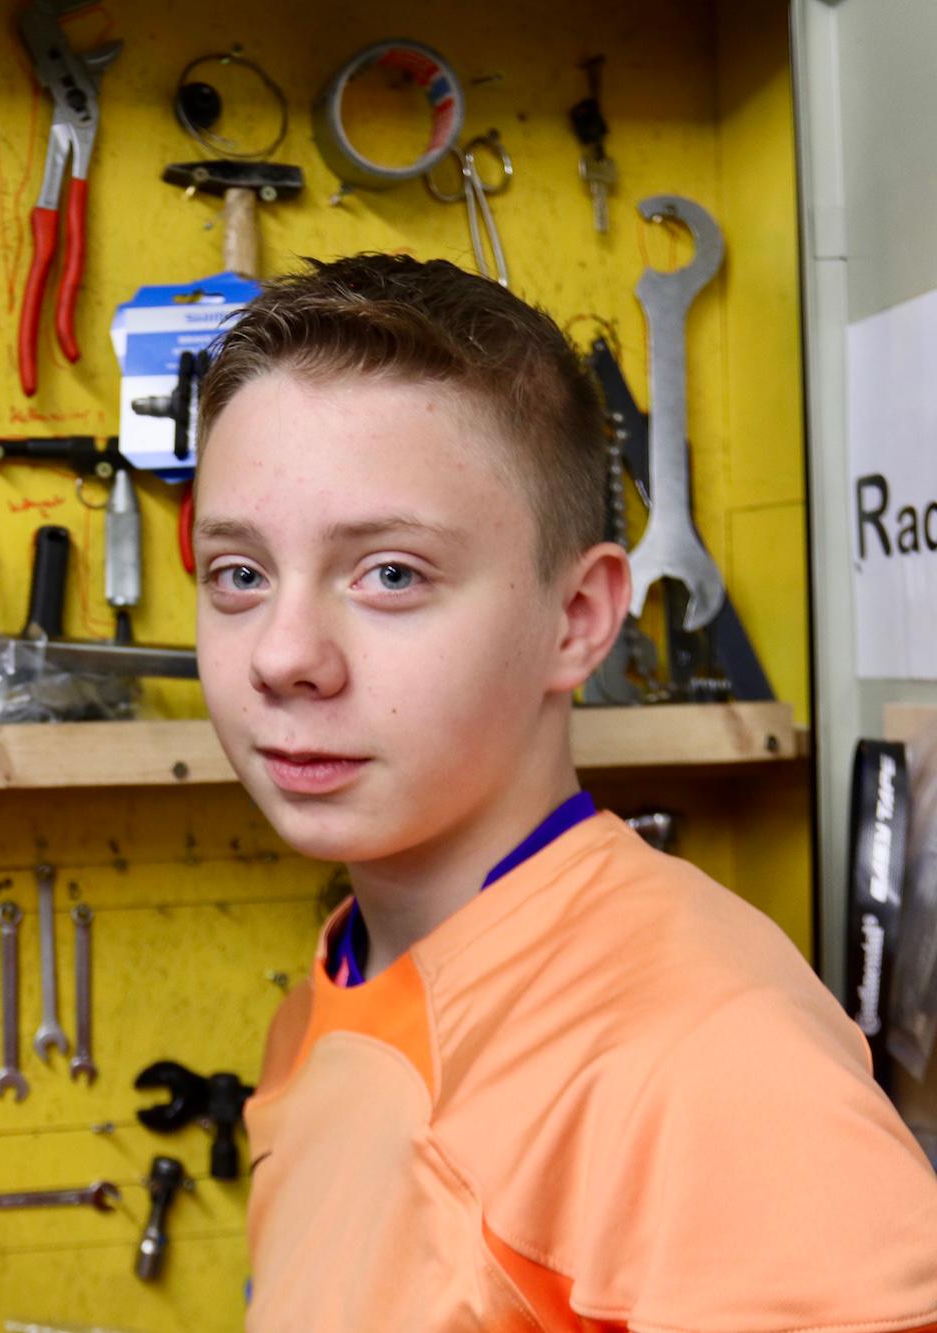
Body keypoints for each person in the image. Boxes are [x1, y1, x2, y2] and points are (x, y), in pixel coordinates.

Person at [191, 253, 937, 1330]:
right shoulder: (327, 996)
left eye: (390, 572)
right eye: (239, 574)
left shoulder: (705, 1057)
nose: (283, 654)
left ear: (577, 619)